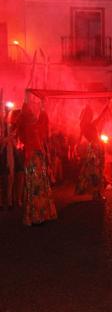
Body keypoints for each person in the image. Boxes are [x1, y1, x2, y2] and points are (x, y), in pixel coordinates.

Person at [16, 91, 57, 226]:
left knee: (39, 187)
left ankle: (41, 214)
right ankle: (35, 215)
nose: (33, 114)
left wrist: (43, 105)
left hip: (37, 159)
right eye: (31, 113)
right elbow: (24, 118)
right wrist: (26, 100)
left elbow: (43, 120)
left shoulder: (35, 126)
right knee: (34, 187)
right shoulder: (26, 126)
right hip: (32, 159)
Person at [75, 104, 107, 201]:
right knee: (95, 171)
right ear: (87, 115)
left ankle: (94, 192)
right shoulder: (88, 124)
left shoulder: (83, 125)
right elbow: (99, 118)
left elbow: (80, 137)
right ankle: (96, 193)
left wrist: (77, 146)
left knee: (93, 171)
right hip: (94, 149)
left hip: (93, 148)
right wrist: (105, 108)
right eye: (90, 114)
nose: (92, 115)